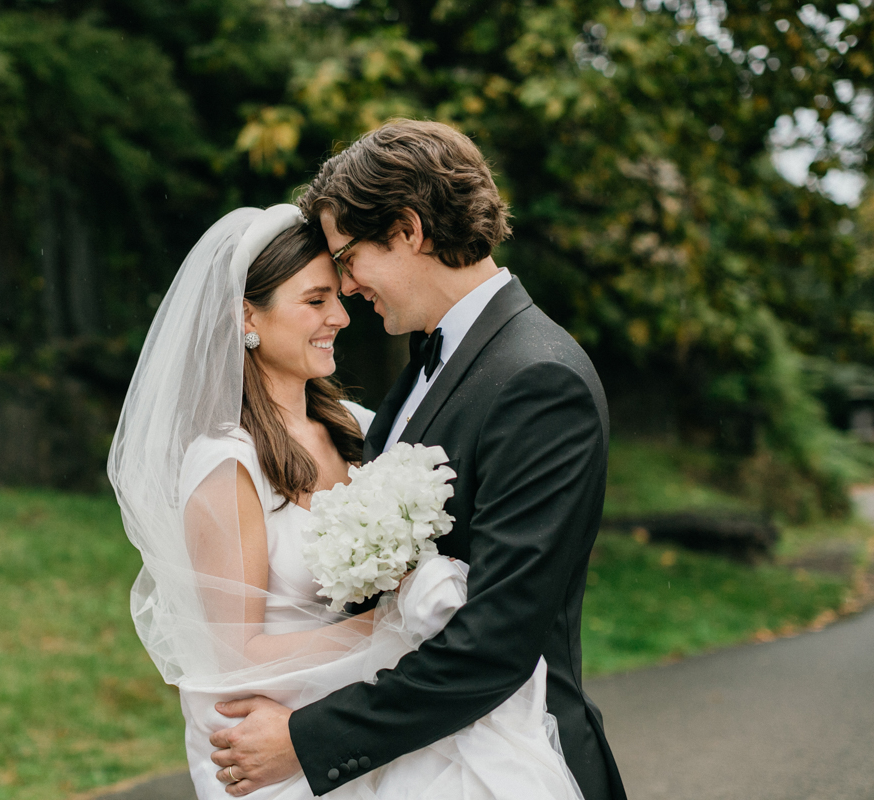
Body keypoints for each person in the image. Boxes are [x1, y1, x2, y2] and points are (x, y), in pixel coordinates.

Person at [205, 121, 628, 799]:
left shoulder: (540, 380)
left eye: (347, 259)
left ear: (407, 231)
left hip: (515, 759)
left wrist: (307, 741)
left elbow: (494, 644)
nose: (346, 288)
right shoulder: (429, 364)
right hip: (420, 759)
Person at [109, 201, 586, 798]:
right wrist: (394, 623)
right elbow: (237, 657)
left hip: (377, 723)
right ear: (247, 316)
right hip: (287, 747)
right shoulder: (228, 464)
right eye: (315, 301)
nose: (339, 316)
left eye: (337, 296)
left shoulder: (360, 428)